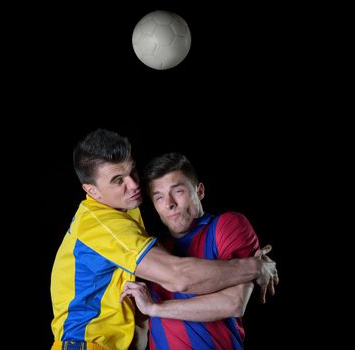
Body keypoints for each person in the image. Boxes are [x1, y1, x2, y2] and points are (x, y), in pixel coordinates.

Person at [50, 129, 277, 350]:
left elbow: (233, 301)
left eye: (132, 171)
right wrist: (255, 266)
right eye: (118, 180)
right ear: (92, 191)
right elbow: (178, 276)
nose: (134, 184)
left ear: (199, 191)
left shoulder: (125, 209)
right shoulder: (103, 223)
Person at [120, 152, 278, 349]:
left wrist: (155, 308)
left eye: (178, 191)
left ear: (200, 191)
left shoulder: (228, 225)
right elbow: (142, 328)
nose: (169, 203)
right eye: (159, 197)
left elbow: (233, 302)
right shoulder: (151, 251)